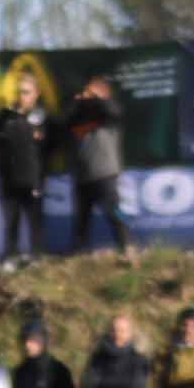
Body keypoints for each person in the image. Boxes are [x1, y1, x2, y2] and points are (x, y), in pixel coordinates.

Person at [64, 74, 130, 254]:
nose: (88, 95)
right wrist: (80, 102)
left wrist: (98, 98)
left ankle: (125, 244)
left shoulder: (110, 111)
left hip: (106, 172)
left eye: (93, 91)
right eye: (86, 91)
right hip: (83, 174)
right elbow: (67, 120)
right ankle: (78, 250)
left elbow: (114, 112)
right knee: (82, 217)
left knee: (114, 212)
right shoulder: (78, 114)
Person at [0, 73, 51, 265]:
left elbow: (53, 144)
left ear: (36, 94)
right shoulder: (5, 115)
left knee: (34, 220)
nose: (21, 96)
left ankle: (36, 256)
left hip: (33, 177)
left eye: (26, 92)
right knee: (11, 220)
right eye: (19, 92)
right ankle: (11, 257)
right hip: (9, 177)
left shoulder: (44, 116)